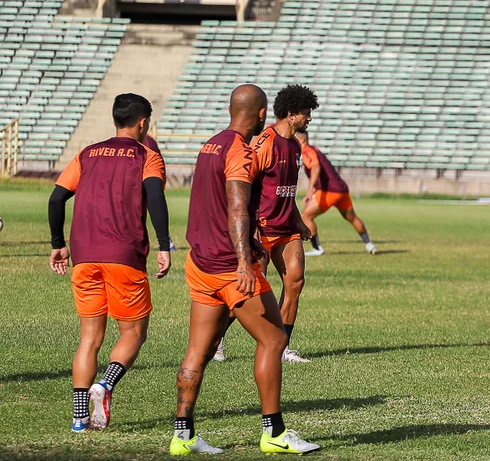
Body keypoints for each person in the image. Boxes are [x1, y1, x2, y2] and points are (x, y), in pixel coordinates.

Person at [170, 84, 319, 455]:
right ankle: (274, 433)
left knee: (197, 350)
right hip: (229, 266)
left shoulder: (211, 144)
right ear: (263, 113)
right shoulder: (241, 150)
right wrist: (243, 262)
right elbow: (238, 207)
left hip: (200, 261)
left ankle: (182, 436)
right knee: (273, 340)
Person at [48, 93, 172, 432]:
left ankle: (78, 418)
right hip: (124, 255)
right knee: (133, 331)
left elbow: (57, 198)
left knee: (89, 338)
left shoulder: (88, 153)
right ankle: (105, 385)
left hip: (83, 257)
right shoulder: (147, 155)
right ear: (143, 122)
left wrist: (58, 244)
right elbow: (156, 197)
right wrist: (164, 244)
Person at [218, 85, 317, 365]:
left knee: (295, 282)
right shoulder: (264, 143)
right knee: (248, 291)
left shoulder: (294, 145)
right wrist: (248, 229)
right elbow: (244, 188)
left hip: (287, 228)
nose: (309, 118)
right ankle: (217, 338)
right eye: (306, 113)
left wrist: (299, 220)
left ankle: (283, 347)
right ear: (290, 114)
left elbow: (287, 189)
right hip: (262, 229)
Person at [296, 130, 376, 256]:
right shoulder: (315, 150)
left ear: (301, 140)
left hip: (329, 191)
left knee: (306, 216)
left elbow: (316, 167)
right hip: (341, 189)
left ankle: (317, 248)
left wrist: (310, 189)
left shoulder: (306, 151)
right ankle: (370, 245)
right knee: (352, 217)